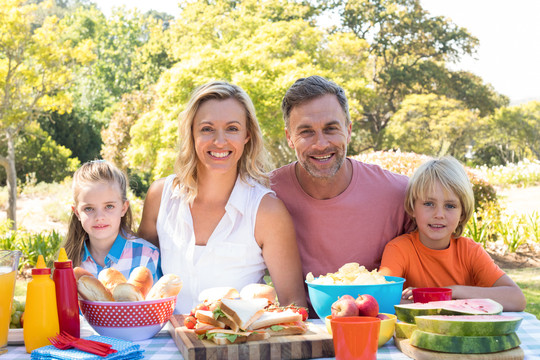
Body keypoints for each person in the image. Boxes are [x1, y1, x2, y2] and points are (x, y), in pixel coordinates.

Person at [138, 81, 306, 314]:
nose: (219, 141)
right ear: (192, 133)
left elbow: (294, 303)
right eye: (207, 129)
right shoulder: (160, 197)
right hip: (166, 345)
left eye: (232, 129)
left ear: (247, 135)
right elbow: (138, 277)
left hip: (240, 348)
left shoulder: (267, 211)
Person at [271, 75, 412, 289]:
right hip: (302, 320)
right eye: (306, 132)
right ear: (289, 137)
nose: (321, 144)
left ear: (348, 131)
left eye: (331, 129)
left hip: (378, 320)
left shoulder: (399, 194)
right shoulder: (266, 194)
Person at [379, 156, 526, 311]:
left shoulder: (470, 251)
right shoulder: (399, 249)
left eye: (450, 206)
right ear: (412, 208)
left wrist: (453, 291)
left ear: (462, 213)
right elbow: (381, 300)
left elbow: (517, 299)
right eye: (429, 204)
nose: (439, 214)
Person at [64, 160, 160, 283]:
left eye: (109, 206)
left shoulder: (146, 256)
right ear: (77, 212)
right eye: (89, 208)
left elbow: (158, 301)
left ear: (123, 208)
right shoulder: (69, 262)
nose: (99, 217)